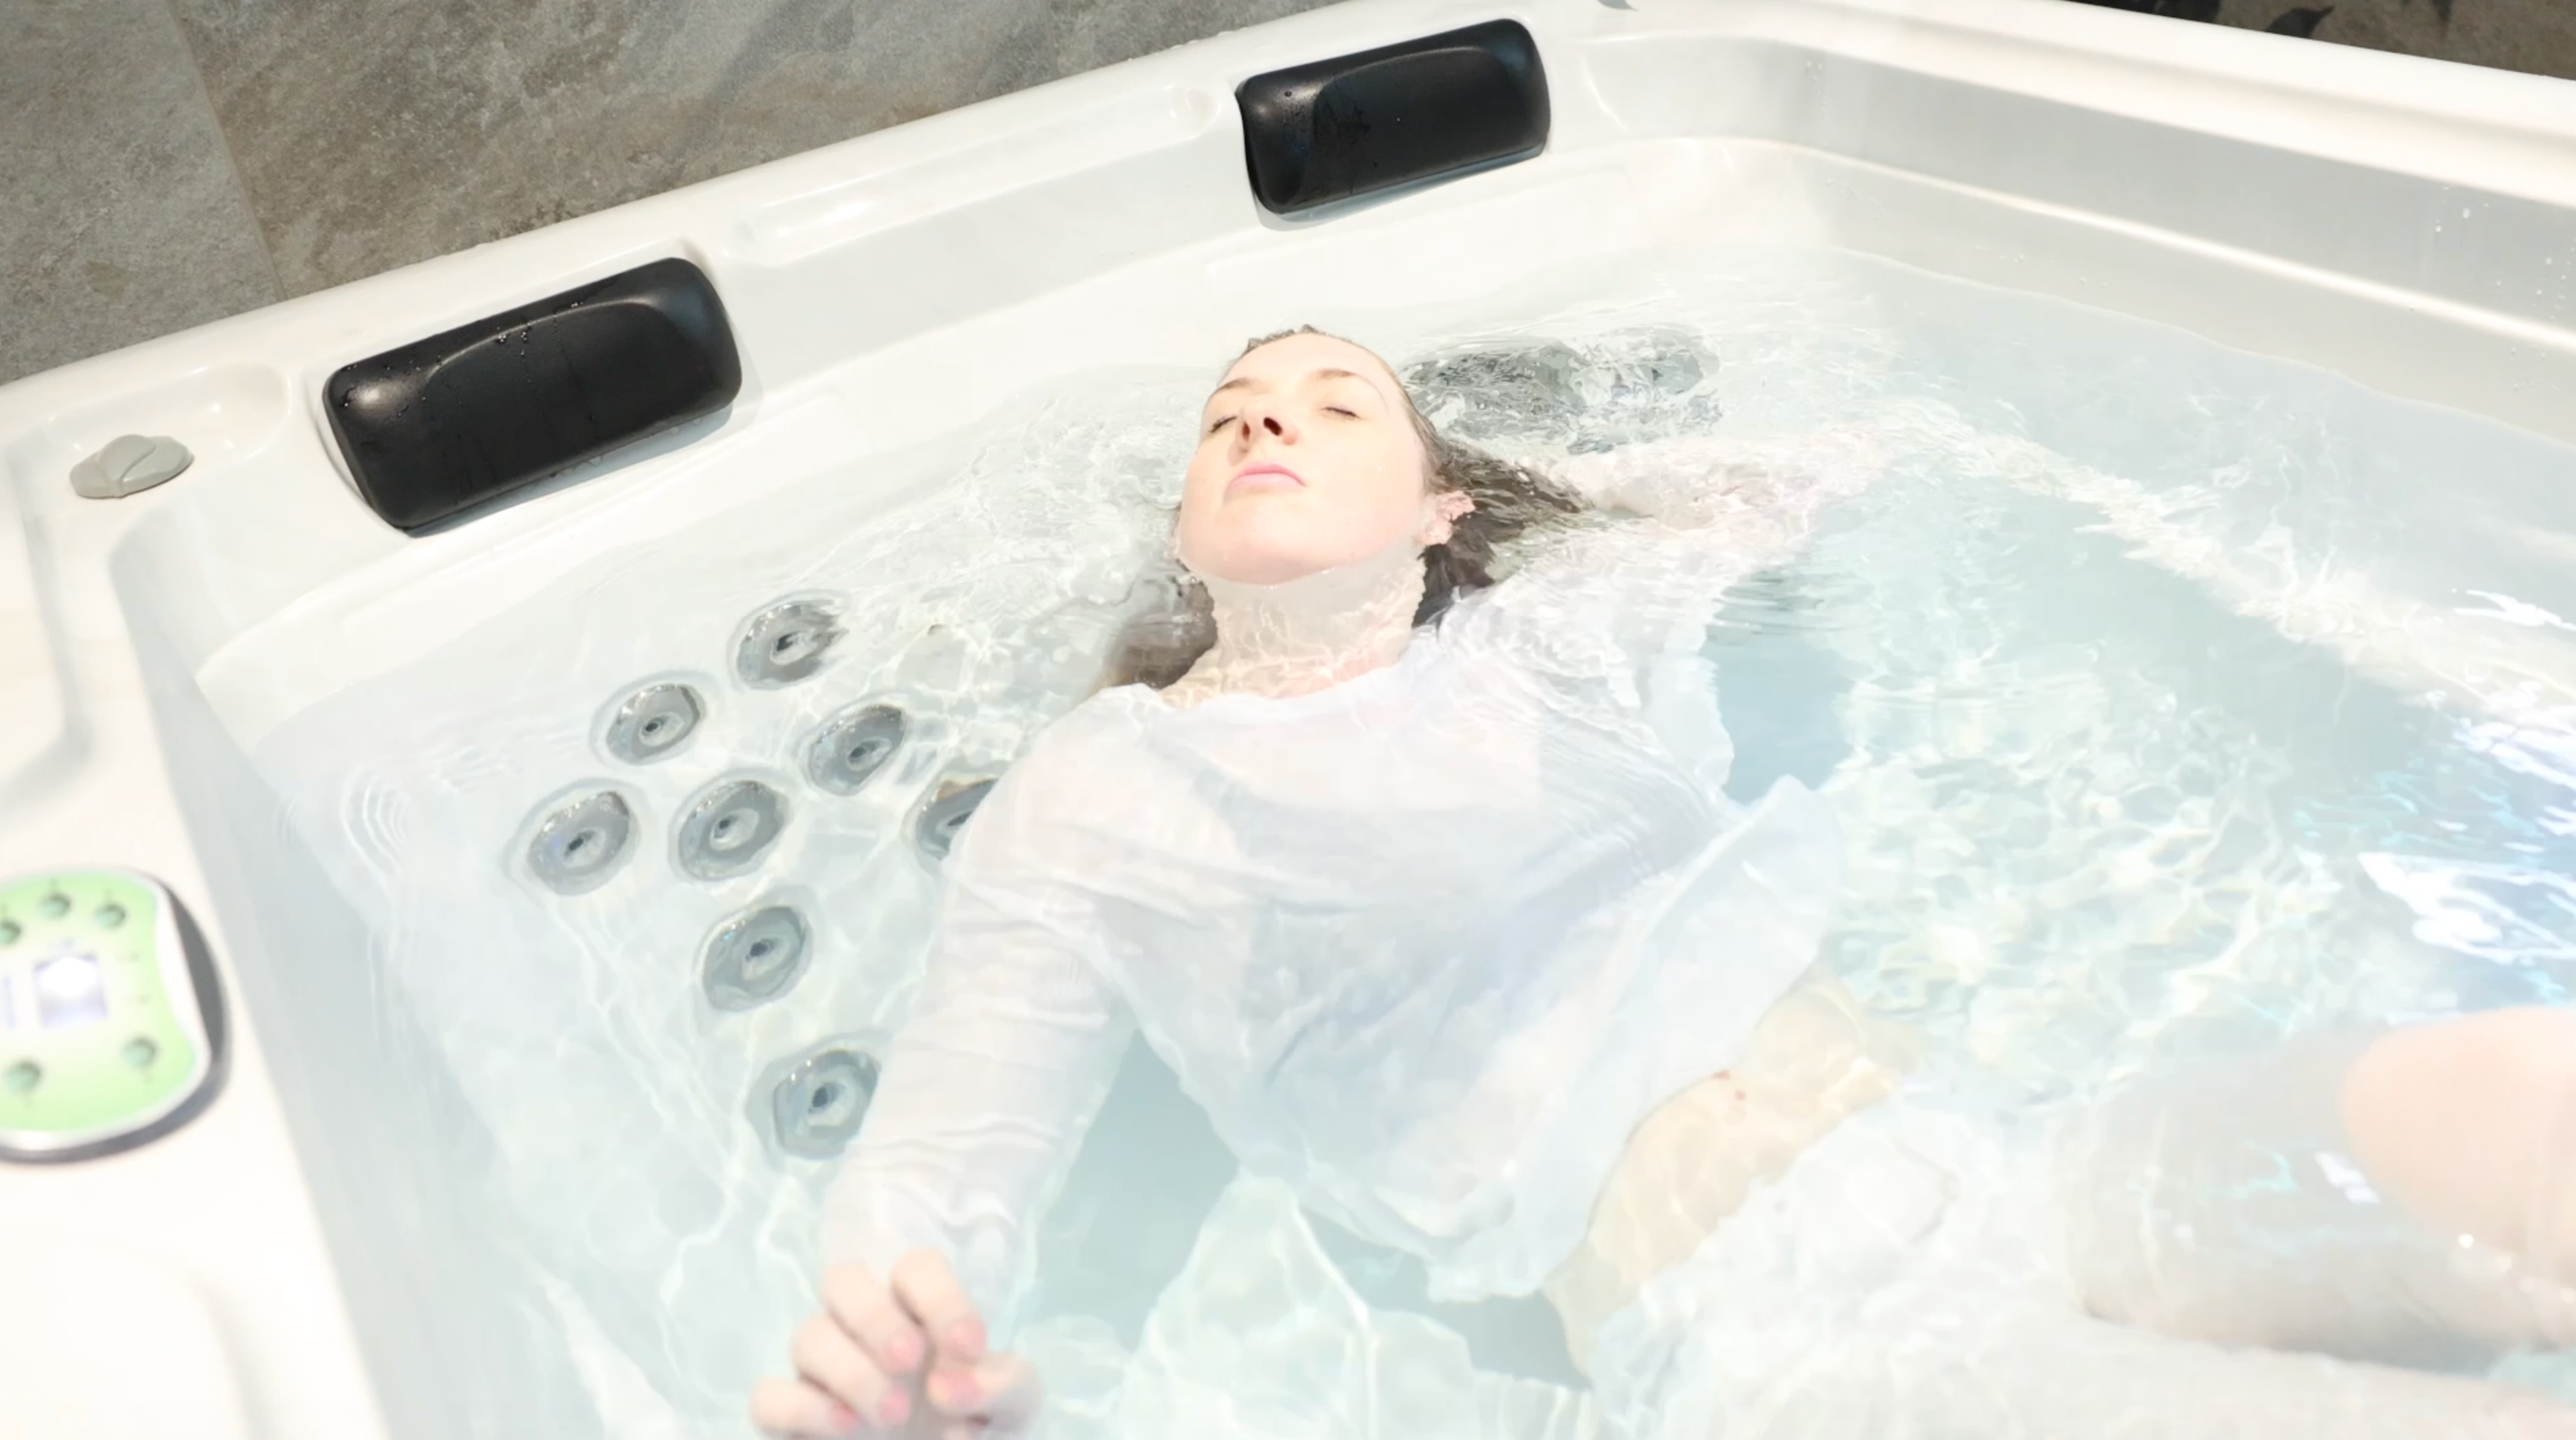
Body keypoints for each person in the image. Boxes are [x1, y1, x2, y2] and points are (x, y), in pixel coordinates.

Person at [750, 328, 2576, 1438]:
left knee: (2530, 1105)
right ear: (1179, 527)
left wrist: (1540, 498)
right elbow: (952, 1143)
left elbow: (1830, 461)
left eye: (1335, 406)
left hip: (2007, 1159)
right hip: (1772, 1345)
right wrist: (896, 1322)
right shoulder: (1100, 789)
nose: (1264, 422)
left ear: (1437, 504)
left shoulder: (1552, 640)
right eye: (1228, 416)